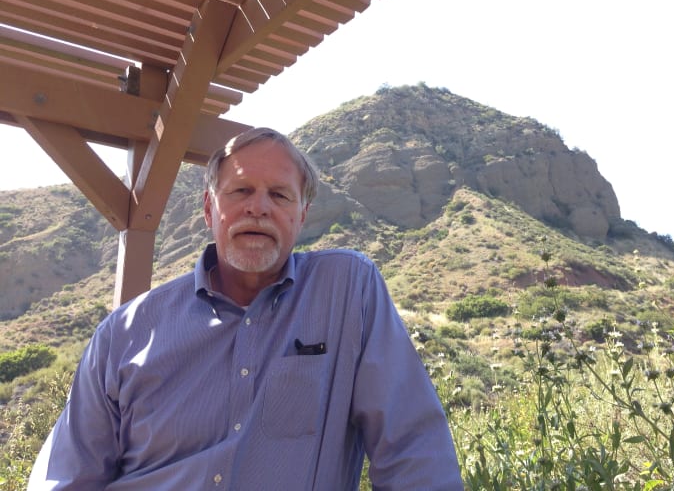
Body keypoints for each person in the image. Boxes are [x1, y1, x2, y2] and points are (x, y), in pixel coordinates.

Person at [28, 127, 463, 490]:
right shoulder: (124, 333)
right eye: (241, 191)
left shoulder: (347, 292)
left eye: (279, 195)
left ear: (302, 215)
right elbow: (66, 475)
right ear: (208, 208)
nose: (258, 207)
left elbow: (413, 452)